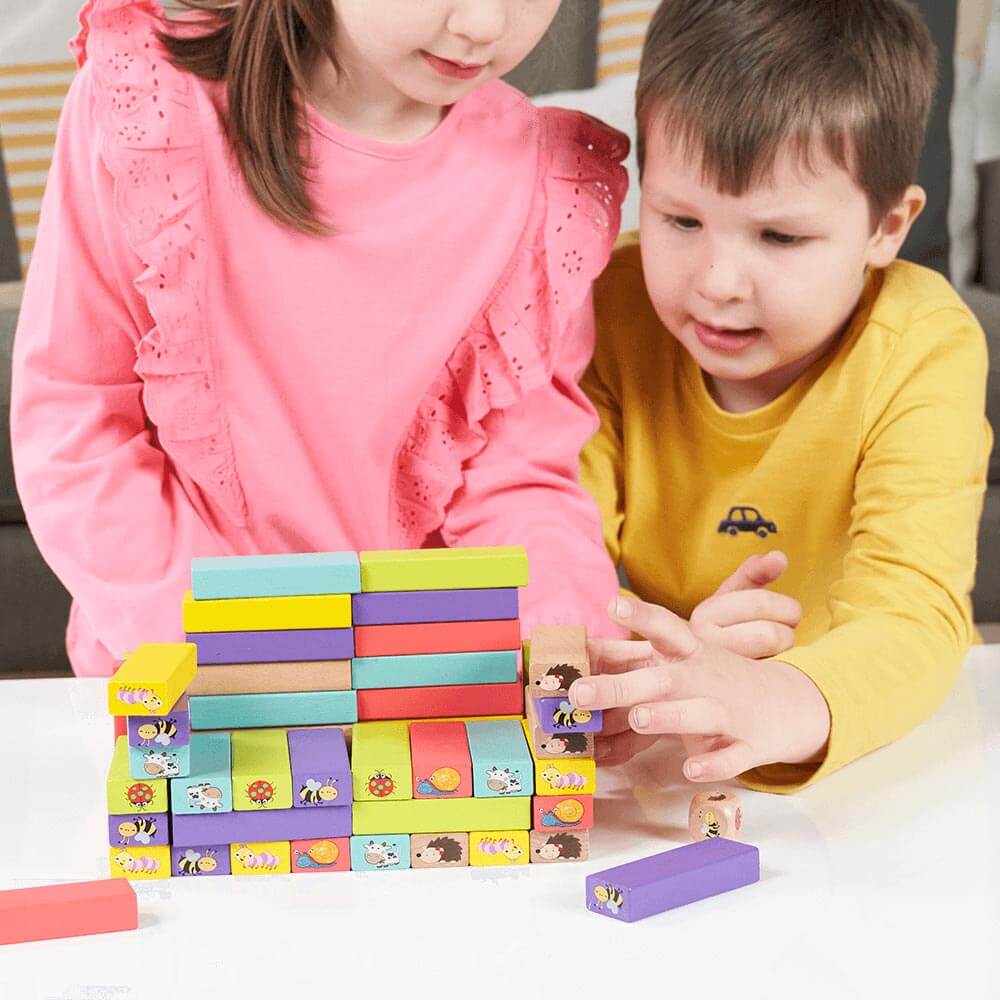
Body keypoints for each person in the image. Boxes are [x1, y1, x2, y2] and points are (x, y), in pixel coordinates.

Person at [10, 0, 637, 676]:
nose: (483, 24)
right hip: (188, 676)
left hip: (423, 691)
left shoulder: (543, 185)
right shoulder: (149, 101)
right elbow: (78, 422)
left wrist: (568, 652)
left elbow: (520, 480)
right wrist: (239, 651)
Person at [576, 0, 993, 793]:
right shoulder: (607, 306)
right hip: (694, 726)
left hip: (877, 740)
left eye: (780, 237)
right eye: (679, 218)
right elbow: (565, 545)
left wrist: (774, 694)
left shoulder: (922, 340)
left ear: (887, 226)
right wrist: (649, 663)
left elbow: (914, 615)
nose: (717, 283)